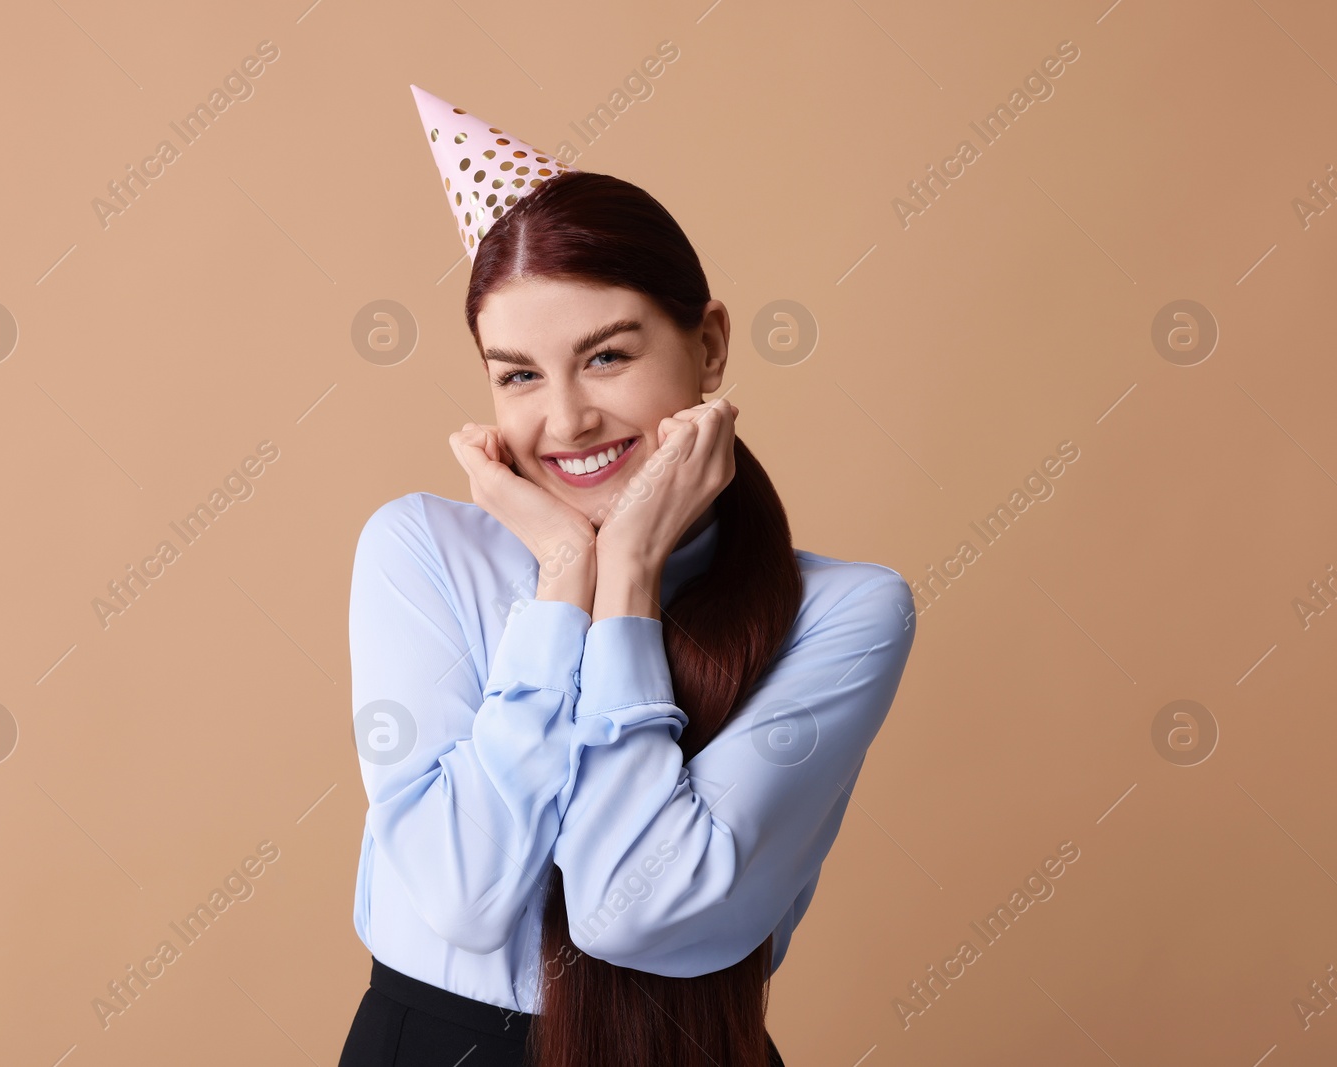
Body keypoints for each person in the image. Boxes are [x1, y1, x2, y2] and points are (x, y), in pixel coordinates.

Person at [339, 88, 917, 1067]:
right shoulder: (421, 551)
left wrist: (630, 579)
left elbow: (627, 909)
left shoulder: (847, 611)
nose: (565, 421)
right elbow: (463, 894)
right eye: (518, 373)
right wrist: (567, 573)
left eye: (605, 356)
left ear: (711, 344)